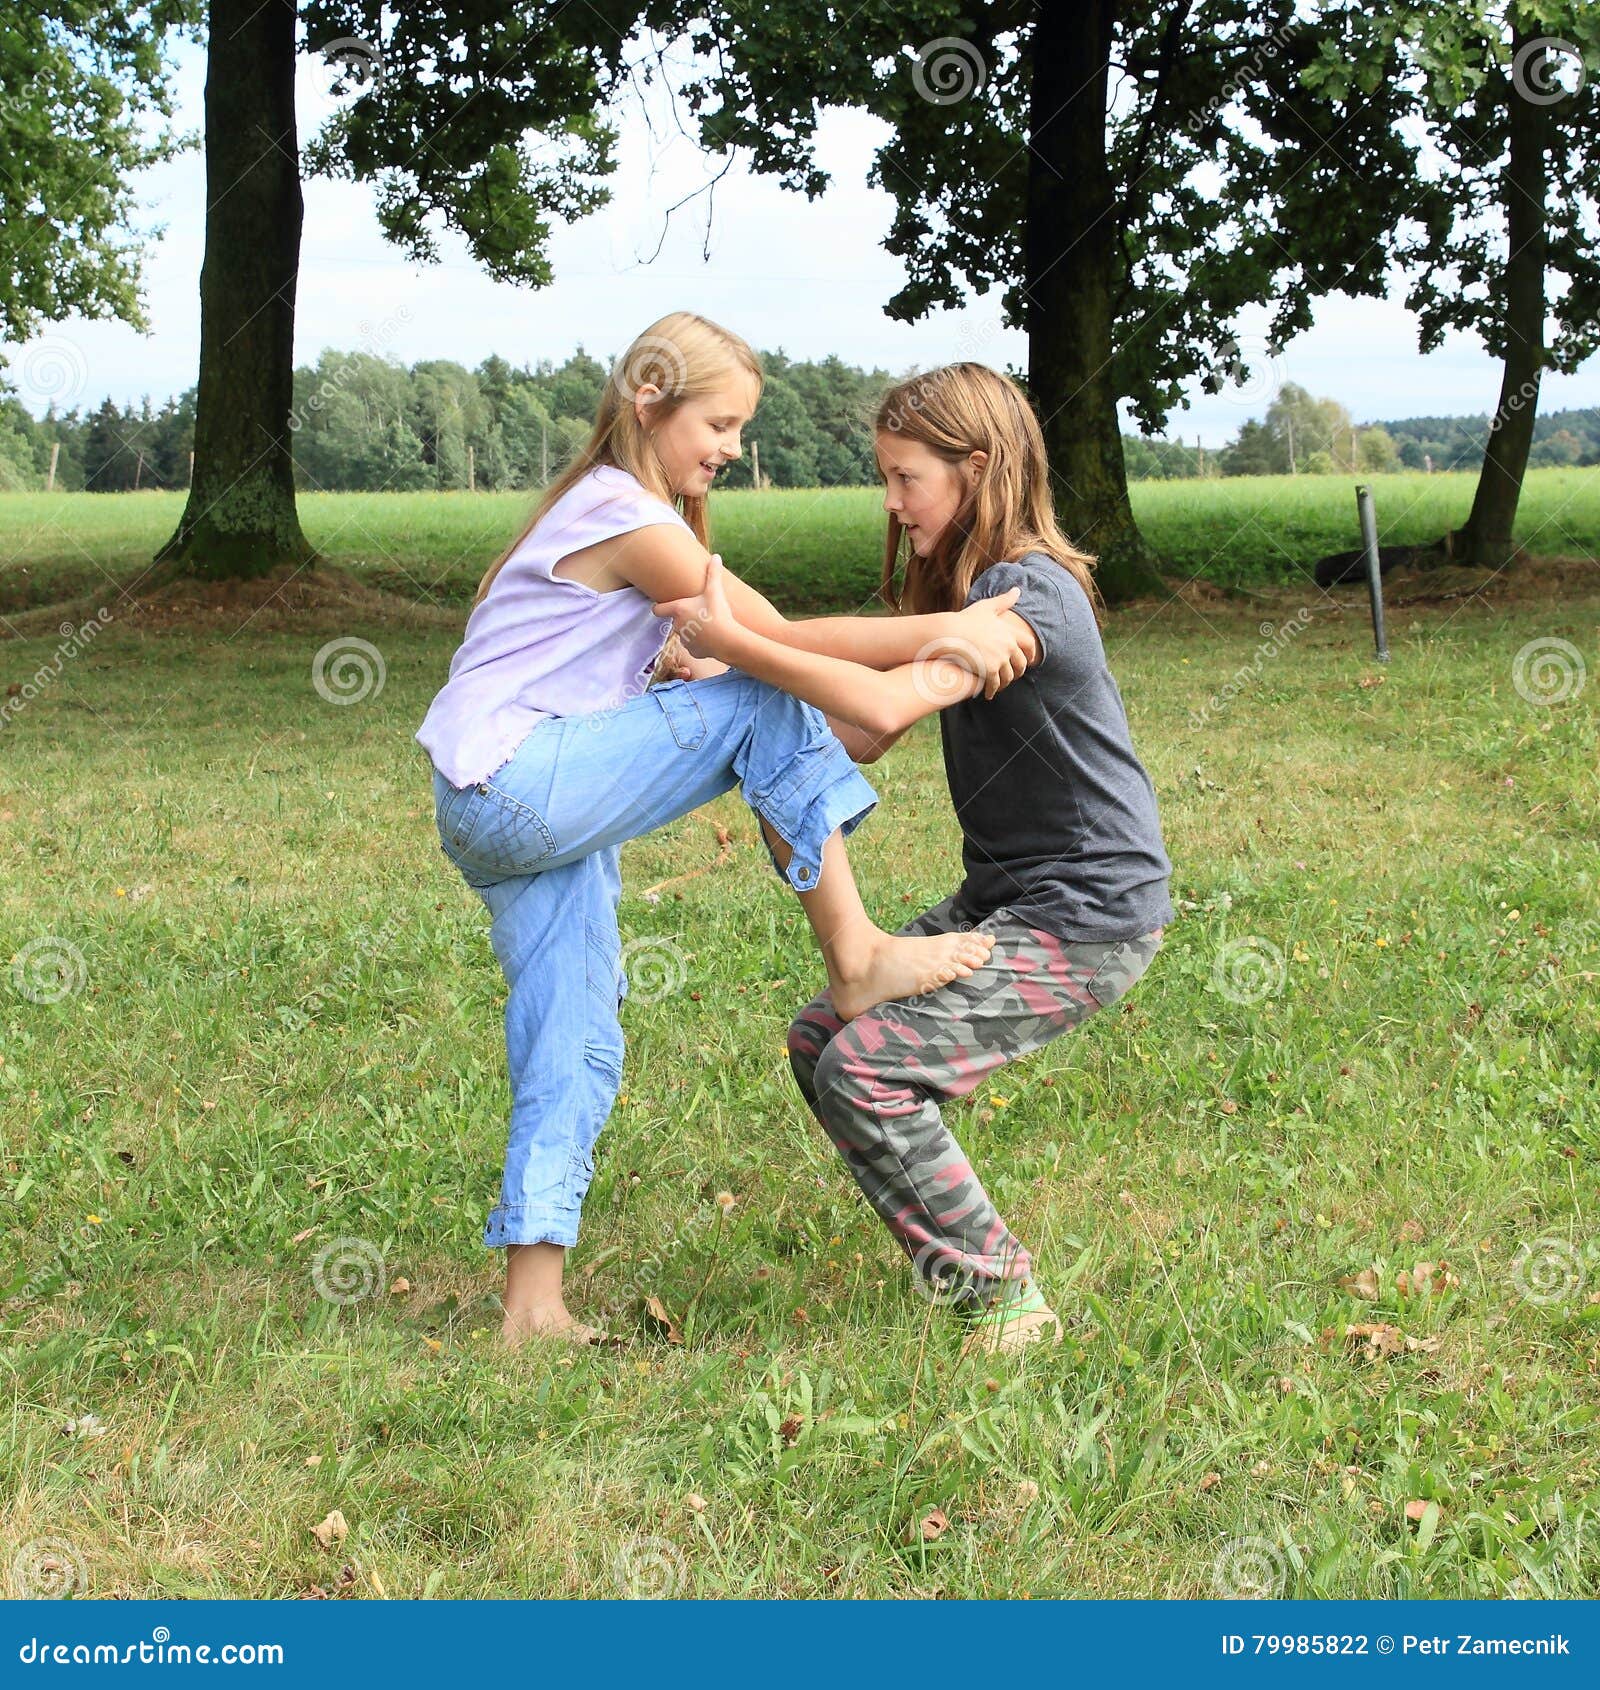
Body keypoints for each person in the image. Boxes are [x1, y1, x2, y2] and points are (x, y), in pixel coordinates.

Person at [418, 315, 1032, 1347]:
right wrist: (949, 631)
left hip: (487, 802)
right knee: (761, 693)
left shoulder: (607, 509)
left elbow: (652, 655)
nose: (733, 449)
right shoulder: (632, 516)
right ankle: (857, 954)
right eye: (721, 422)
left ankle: (532, 1305)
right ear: (650, 405)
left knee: (572, 1032)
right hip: (520, 785)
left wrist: (691, 669)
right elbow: (774, 643)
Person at [653, 362, 1174, 1357]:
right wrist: (724, 680)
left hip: (1088, 915)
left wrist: (740, 639)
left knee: (870, 1070)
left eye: (905, 479)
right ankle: (957, 1257)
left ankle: (1005, 1300)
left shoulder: (1028, 602)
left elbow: (885, 704)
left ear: (974, 469)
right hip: (1008, 900)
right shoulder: (974, 596)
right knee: (823, 1041)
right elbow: (857, 735)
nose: (890, 502)